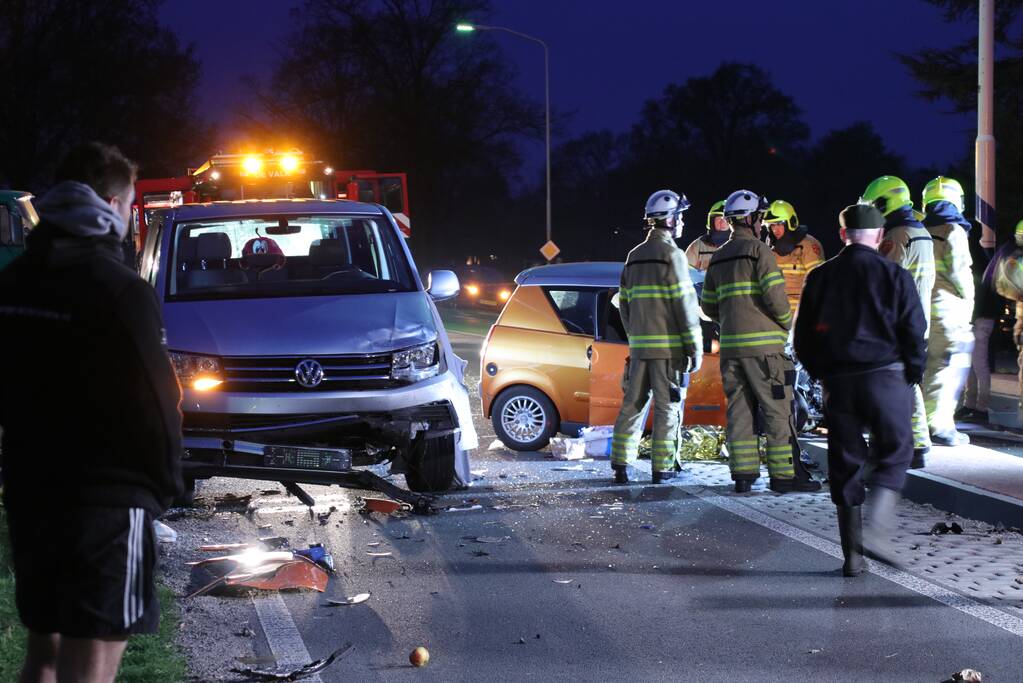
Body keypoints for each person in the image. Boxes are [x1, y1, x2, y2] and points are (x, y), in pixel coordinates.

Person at [0, 142, 183, 682]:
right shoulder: (120, 290)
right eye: (130, 207)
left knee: (45, 651)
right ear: (108, 204)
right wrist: (165, 486)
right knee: (93, 661)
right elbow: (158, 402)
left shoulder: (12, 285)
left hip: (33, 493)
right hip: (110, 498)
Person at [795, 204, 927, 575]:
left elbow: (803, 336)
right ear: (880, 236)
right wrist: (912, 373)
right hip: (886, 377)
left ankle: (853, 557)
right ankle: (878, 531)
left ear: (842, 235)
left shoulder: (820, 277)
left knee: (845, 462)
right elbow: (914, 331)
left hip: (839, 383)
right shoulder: (895, 275)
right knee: (897, 451)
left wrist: (822, 374)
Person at [701, 189, 820, 494]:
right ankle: (783, 477)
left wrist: (731, 322)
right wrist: (785, 326)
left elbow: (708, 307)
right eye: (760, 217)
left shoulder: (719, 258)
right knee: (777, 411)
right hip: (766, 352)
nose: (763, 223)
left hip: (731, 350)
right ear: (751, 219)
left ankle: (743, 476)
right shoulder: (760, 252)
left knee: (739, 411)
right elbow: (777, 301)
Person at [611, 190, 703, 485]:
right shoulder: (673, 256)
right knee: (667, 408)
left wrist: (636, 337)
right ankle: (662, 469)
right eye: (681, 216)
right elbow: (686, 308)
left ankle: (621, 464)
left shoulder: (633, 257)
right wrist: (695, 349)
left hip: (639, 351)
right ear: (671, 219)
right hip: (668, 352)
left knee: (632, 406)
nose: (683, 222)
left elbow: (623, 305)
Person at [860, 175, 936, 467]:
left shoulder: (897, 235)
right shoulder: (921, 231)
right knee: (907, 379)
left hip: (896, 320)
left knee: (893, 382)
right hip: (916, 318)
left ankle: (908, 445)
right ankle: (915, 444)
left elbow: (885, 279)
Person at [920, 176, 975, 444]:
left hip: (921, 310)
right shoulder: (953, 231)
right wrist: (969, 305)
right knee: (946, 369)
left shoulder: (919, 230)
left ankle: (921, 424)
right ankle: (939, 426)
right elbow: (960, 274)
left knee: (925, 369)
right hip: (948, 311)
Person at [763, 199, 824, 316]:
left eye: (779, 224)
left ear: (790, 222)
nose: (775, 230)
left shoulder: (808, 245)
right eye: (772, 225)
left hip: (800, 316)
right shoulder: (769, 248)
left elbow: (819, 283)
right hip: (775, 317)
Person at [685, 200, 729, 271]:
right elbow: (686, 271)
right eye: (719, 219)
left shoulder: (740, 245)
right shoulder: (699, 246)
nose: (723, 222)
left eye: (727, 219)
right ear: (711, 221)